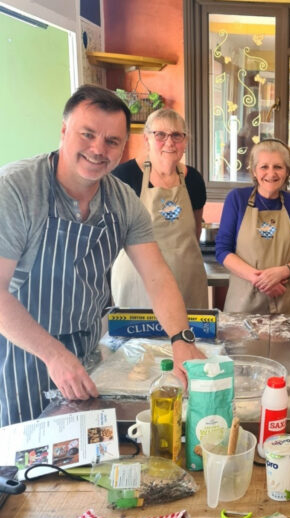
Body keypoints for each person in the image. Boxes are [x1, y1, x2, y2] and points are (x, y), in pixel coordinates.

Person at [0, 85, 205, 427]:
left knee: (81, 459)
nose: (98, 150)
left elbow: (156, 276)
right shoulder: (17, 190)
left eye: (112, 141)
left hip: (88, 349)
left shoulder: (122, 201)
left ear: (124, 145)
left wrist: (181, 340)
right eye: (88, 134)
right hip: (22, 353)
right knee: (25, 466)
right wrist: (53, 354)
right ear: (64, 131)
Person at [110, 109, 208, 308]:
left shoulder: (194, 180)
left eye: (176, 135)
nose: (169, 142)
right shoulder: (124, 177)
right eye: (160, 135)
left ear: (185, 141)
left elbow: (194, 233)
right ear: (146, 139)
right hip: (138, 279)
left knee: (186, 336)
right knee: (140, 339)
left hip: (186, 280)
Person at [215, 139, 290, 313]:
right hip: (244, 300)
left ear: (287, 171)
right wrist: (260, 280)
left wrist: (282, 272)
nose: (271, 173)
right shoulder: (237, 199)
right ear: (254, 171)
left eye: (278, 167)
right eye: (264, 167)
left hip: (287, 299)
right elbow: (223, 250)